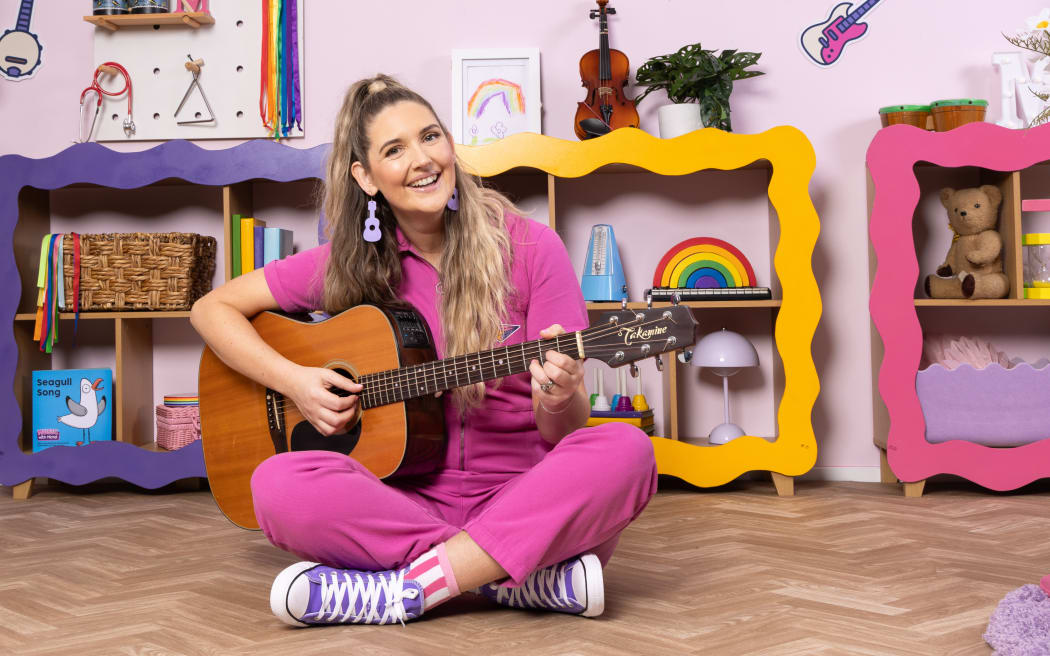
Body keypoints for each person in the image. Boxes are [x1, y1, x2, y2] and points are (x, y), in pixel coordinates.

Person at [190, 74, 657, 627]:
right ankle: (512, 580)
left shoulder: (532, 247)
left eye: (431, 136)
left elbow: (566, 434)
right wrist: (295, 382)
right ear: (365, 176)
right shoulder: (349, 266)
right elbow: (210, 309)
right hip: (402, 502)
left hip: (523, 498)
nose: (423, 160)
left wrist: (559, 395)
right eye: (395, 149)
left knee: (627, 452)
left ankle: (407, 589)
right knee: (275, 486)